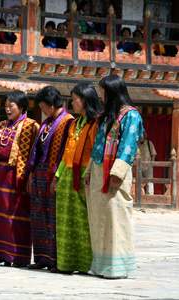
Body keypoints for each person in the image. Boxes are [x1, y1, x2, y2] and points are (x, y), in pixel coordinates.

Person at [85, 74, 144, 279]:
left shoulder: (131, 116)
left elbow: (128, 145)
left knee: (115, 218)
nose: (100, 95)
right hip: (99, 170)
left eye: (103, 91)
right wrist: (89, 171)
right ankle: (101, 265)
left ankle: (117, 267)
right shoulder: (107, 115)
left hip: (115, 173)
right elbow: (98, 146)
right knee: (99, 219)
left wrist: (117, 174)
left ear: (111, 92)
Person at [0, 91, 39, 267]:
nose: (7, 108)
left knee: (15, 215)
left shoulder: (31, 126)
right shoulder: (2, 126)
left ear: (21, 107)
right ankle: (0, 254)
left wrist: (30, 175)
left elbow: (33, 154)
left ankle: (17, 256)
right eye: (5, 105)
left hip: (17, 176)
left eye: (11, 105)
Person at [55, 83, 102, 274]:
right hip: (66, 175)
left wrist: (89, 174)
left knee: (83, 220)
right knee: (64, 220)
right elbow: (66, 151)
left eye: (75, 99)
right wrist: (57, 176)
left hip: (83, 175)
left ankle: (85, 264)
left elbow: (95, 153)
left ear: (86, 100)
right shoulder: (74, 123)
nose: (72, 103)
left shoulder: (95, 123)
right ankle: (66, 263)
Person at [28, 86, 74, 272]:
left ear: (52, 104)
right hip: (40, 174)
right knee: (39, 216)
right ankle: (42, 257)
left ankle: (56, 258)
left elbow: (66, 151)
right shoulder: (47, 123)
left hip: (54, 174)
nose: (42, 110)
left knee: (53, 217)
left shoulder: (68, 122)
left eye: (44, 106)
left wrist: (57, 175)